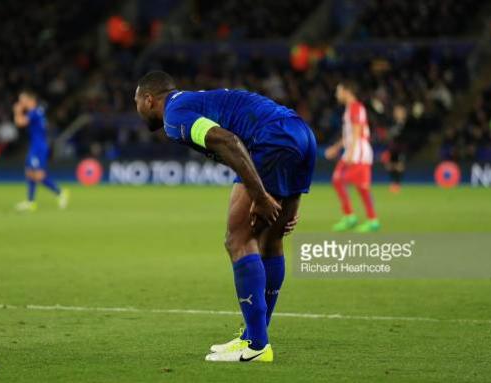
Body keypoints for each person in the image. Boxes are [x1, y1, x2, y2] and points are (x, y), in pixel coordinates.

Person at [133, 71, 316, 362]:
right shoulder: (193, 102)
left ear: (149, 99)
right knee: (271, 239)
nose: (137, 110)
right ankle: (253, 337)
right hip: (300, 132)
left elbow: (227, 141)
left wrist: (258, 195)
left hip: (270, 138)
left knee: (237, 241)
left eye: (137, 103)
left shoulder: (175, 116)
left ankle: (257, 345)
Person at [325, 80, 379, 232]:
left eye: (339, 90)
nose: (337, 94)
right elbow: (349, 134)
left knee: (357, 185)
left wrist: (350, 152)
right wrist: (337, 148)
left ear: (347, 91)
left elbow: (357, 131)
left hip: (359, 152)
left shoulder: (355, 107)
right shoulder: (351, 108)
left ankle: (370, 220)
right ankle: (351, 217)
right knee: (338, 180)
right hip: (353, 150)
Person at [13, 90, 69, 211]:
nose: (21, 103)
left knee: (38, 175)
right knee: (29, 173)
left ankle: (60, 192)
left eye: (22, 100)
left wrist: (17, 111)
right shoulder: (38, 112)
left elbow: (20, 122)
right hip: (36, 145)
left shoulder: (34, 112)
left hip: (39, 147)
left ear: (31, 100)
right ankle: (31, 202)